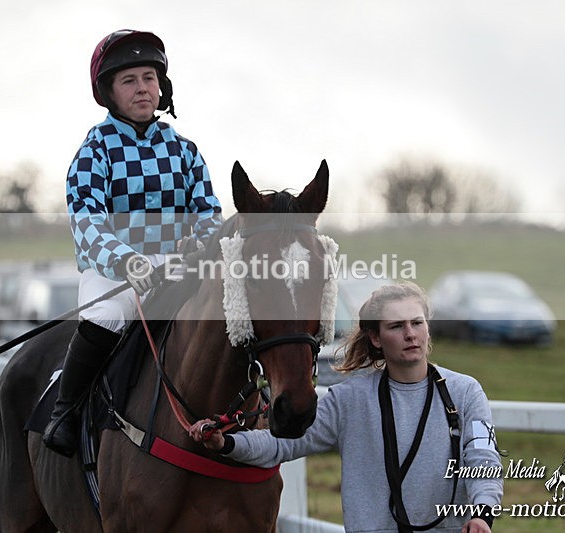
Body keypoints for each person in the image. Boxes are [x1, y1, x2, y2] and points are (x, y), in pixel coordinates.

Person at [190, 282, 503, 533]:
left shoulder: (465, 392)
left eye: (417, 323)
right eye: (396, 326)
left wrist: (482, 513)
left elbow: (483, 457)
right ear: (375, 338)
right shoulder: (349, 400)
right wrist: (227, 442)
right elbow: (280, 443)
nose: (410, 334)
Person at [43, 29, 223, 457]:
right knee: (105, 317)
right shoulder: (95, 149)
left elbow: (209, 214)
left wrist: (198, 249)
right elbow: (87, 222)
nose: (142, 88)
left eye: (149, 77)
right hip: (114, 273)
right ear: (108, 92)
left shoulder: (185, 150)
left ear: (162, 87)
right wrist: (128, 262)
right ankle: (65, 412)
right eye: (129, 80)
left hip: (178, 268)